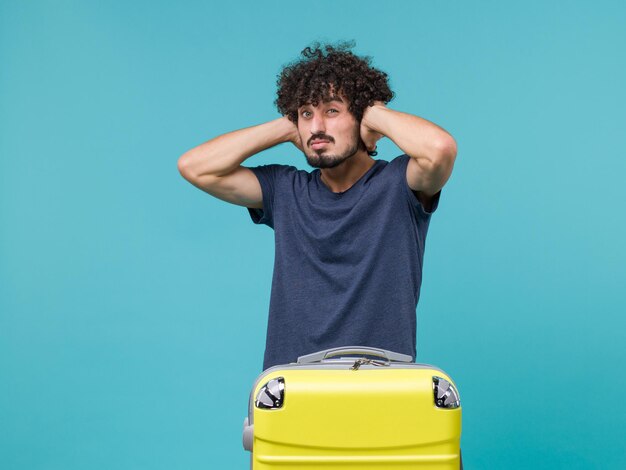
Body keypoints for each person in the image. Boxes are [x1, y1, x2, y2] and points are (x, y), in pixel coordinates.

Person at [178, 42, 457, 371]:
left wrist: (372, 113)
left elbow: (440, 149)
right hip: (294, 392)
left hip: (381, 387)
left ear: (362, 120)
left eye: (333, 110)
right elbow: (194, 166)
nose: (316, 127)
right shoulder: (285, 190)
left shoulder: (398, 184)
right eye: (306, 113)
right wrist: (286, 126)